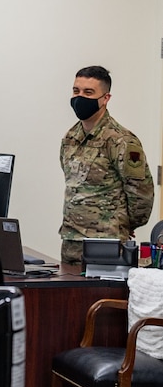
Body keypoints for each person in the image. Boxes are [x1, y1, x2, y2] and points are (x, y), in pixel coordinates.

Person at [59, 65, 154, 264]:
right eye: (76, 91)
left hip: (106, 243)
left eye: (89, 92)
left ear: (106, 98)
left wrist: (124, 226)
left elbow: (142, 194)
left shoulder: (121, 140)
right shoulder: (70, 137)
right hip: (71, 242)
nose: (80, 97)